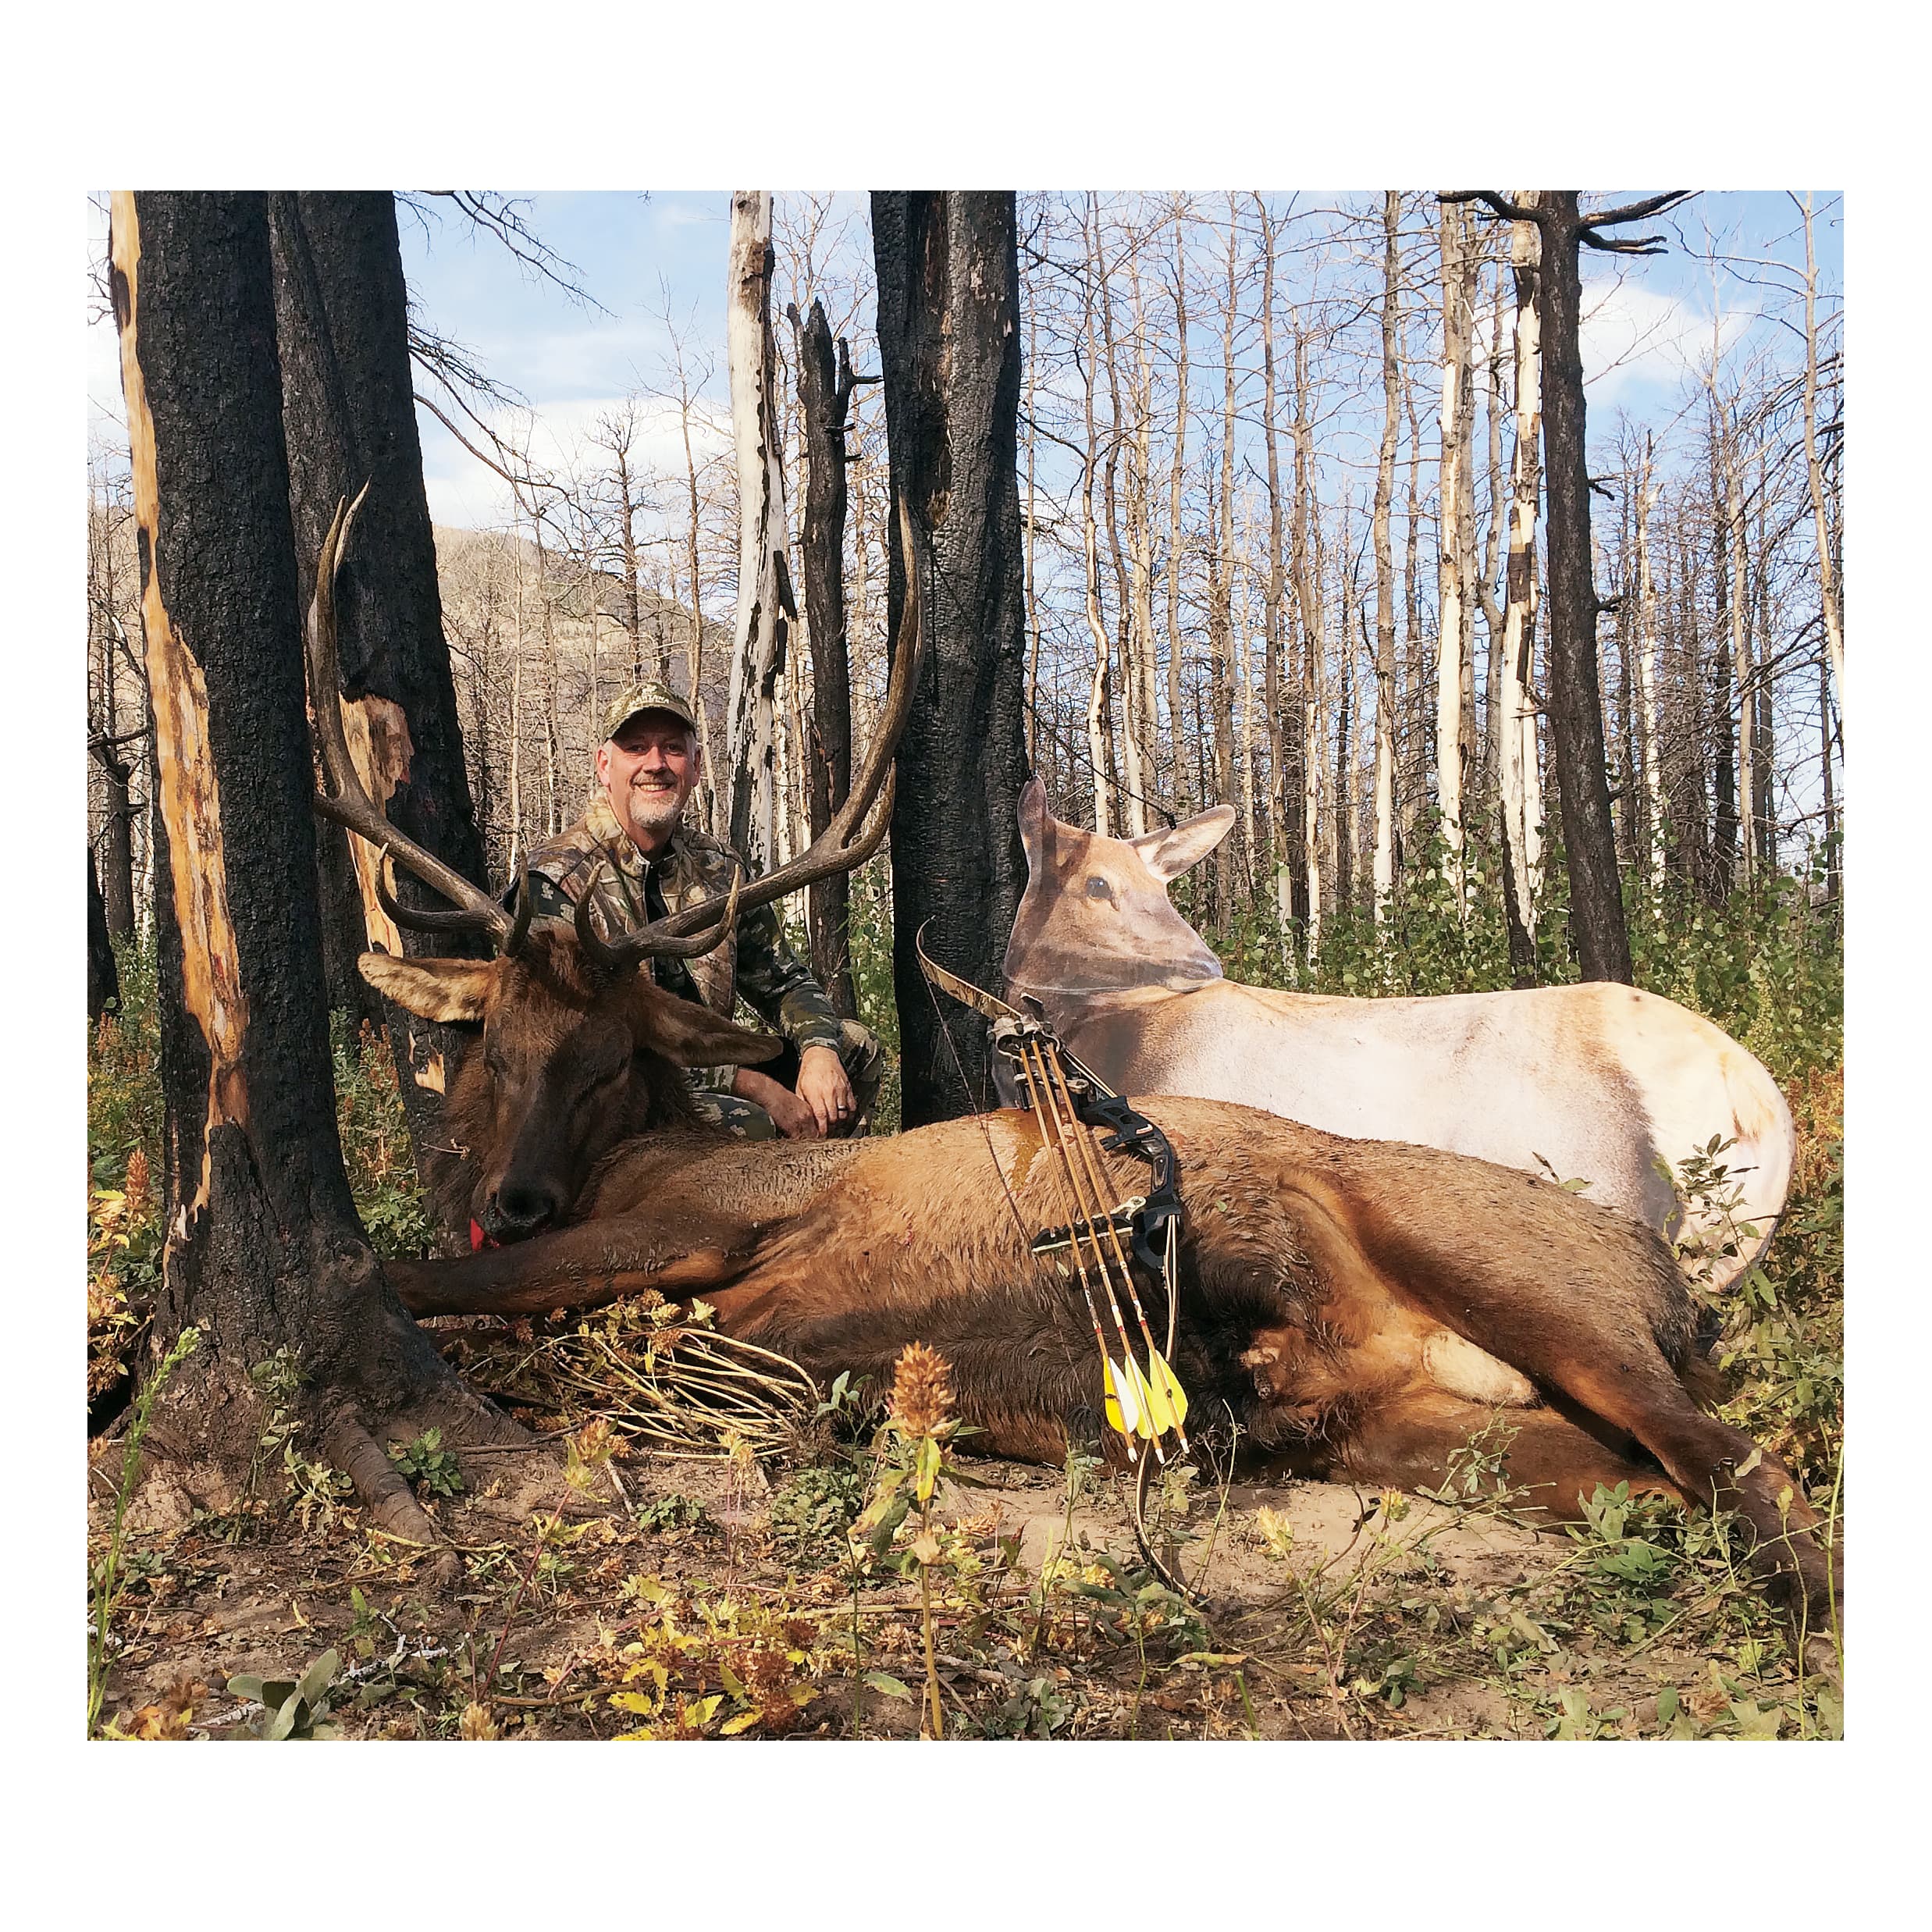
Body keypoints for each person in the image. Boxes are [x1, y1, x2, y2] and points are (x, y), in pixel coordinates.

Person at [521, 680, 883, 1141]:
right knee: (752, 1125)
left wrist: (817, 1052)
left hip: (708, 1061)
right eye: (636, 748)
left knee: (854, 1050)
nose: (655, 764)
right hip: (615, 1094)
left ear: (694, 767)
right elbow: (575, 1045)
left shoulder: (719, 870)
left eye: (672, 748)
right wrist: (754, 1086)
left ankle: (816, 1202)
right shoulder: (557, 880)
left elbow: (785, 981)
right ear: (604, 766)